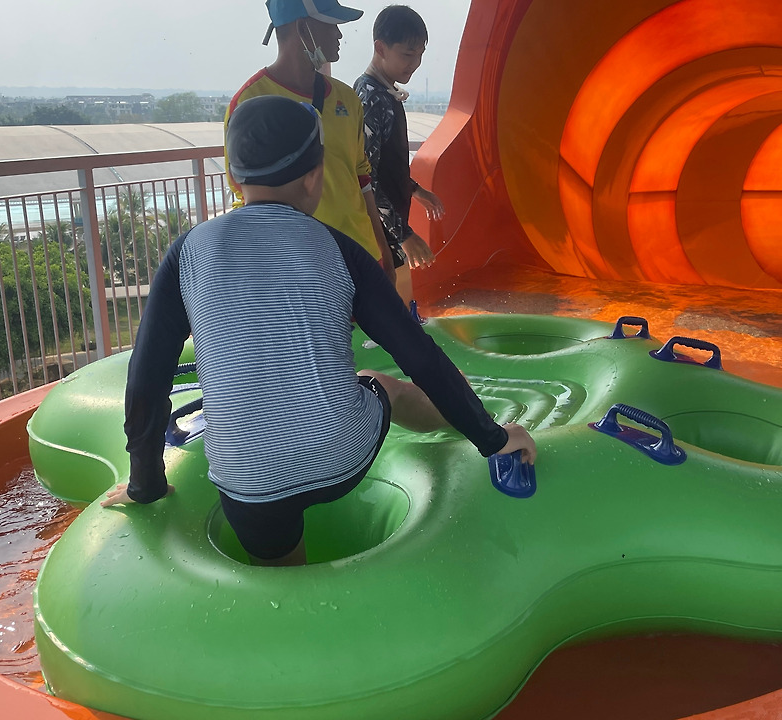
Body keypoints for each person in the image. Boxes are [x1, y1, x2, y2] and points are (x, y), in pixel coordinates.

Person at [107, 96, 537, 567]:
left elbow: (147, 378)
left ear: (233, 176)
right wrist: (493, 438)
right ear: (315, 177)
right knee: (377, 382)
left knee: (286, 576)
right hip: (338, 454)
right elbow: (419, 355)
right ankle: (452, 420)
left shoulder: (187, 253)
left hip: (247, 479)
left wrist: (145, 484)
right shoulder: (338, 250)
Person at [224, 0, 396, 281]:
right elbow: (243, 193)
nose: (339, 34)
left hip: (361, 253)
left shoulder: (347, 98)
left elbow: (361, 177)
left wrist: (383, 252)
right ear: (303, 28)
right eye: (332, 25)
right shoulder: (250, 102)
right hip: (298, 266)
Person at [355, 5, 445, 301]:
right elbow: (365, 179)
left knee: (404, 310)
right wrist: (403, 235)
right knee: (397, 314)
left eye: (420, 54)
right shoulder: (371, 98)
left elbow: (385, 165)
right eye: (407, 54)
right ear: (380, 48)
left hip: (388, 231)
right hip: (379, 236)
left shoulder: (384, 92)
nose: (415, 63)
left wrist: (414, 189)